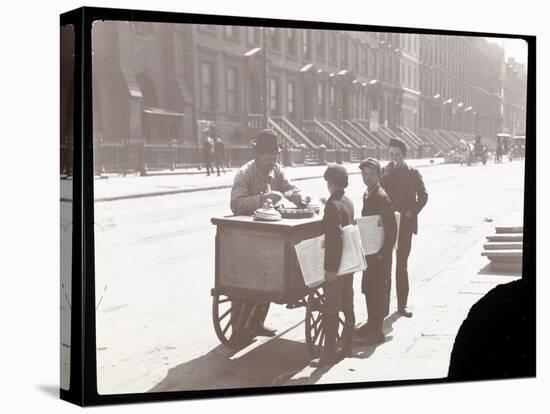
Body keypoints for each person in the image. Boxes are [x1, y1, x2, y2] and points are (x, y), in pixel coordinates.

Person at [230, 129, 311, 337]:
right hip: (247, 238)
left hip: (270, 237)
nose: (272, 161)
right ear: (257, 154)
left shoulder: (277, 170)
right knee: (246, 283)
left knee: (271, 276)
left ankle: (257, 323)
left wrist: (300, 198)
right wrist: (263, 198)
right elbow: (236, 204)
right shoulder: (244, 174)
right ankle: (238, 328)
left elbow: (289, 188)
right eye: (268, 156)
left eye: (275, 156)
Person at [380, 137, 428, 318]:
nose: (394, 158)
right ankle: (383, 307)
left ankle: (402, 305)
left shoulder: (413, 173)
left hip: (405, 226)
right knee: (385, 265)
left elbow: (423, 196)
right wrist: (386, 175)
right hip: (388, 225)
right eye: (391, 154)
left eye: (398, 155)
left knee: (401, 266)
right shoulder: (386, 172)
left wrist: (412, 211)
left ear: (404, 155)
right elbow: (377, 192)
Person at [313, 165, 355, 366]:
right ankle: (346, 345)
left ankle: (328, 353)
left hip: (336, 266)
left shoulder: (332, 206)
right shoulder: (346, 201)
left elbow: (334, 239)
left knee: (331, 307)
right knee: (347, 302)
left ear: (330, 183)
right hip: (349, 263)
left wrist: (330, 269)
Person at [356, 158, 397, 344]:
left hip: (379, 255)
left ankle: (376, 331)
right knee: (368, 289)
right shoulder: (368, 193)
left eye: (371, 174)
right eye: (364, 174)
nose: (367, 177)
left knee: (377, 291)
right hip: (370, 252)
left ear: (379, 175)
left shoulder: (381, 196)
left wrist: (383, 252)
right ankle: (371, 323)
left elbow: (392, 229)